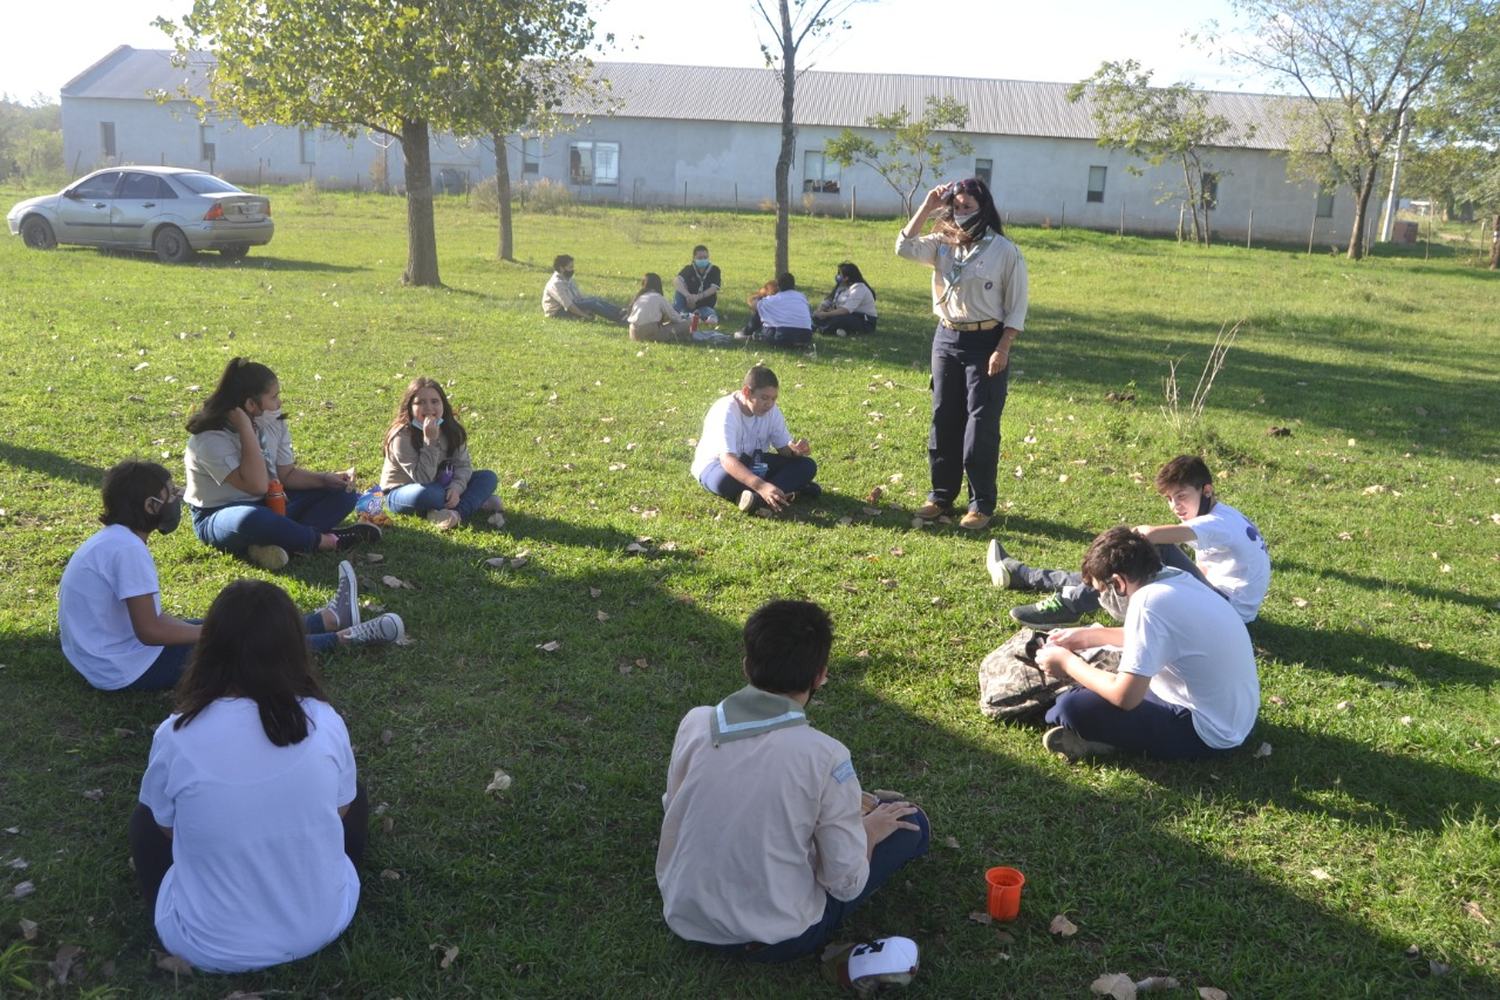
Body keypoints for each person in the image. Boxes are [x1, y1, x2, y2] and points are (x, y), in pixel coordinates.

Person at [656, 600, 929, 962]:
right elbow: (844, 883)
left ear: (746, 666)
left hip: (684, 915)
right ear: (820, 675)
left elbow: (675, 806)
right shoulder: (825, 757)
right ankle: (871, 817)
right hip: (777, 937)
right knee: (913, 823)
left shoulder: (695, 721)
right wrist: (871, 832)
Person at [128, 579, 367, 972]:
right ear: (295, 648)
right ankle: (327, 883)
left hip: (206, 946)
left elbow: (168, 832)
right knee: (353, 793)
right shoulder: (323, 719)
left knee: (143, 821)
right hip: (324, 925)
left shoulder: (177, 735)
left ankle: (175, 908)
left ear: (207, 650)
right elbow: (341, 811)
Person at [58, 462, 404, 692]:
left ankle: (326, 619)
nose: (176, 500)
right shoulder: (127, 550)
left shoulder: (114, 540)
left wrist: (209, 628)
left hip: (109, 655)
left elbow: (148, 623)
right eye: (170, 495)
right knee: (240, 644)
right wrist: (211, 634)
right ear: (150, 506)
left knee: (230, 622)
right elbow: (150, 631)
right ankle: (347, 637)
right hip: (125, 668)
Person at [1035, 527, 1260, 762]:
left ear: (1118, 583)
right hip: (1234, 718)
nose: (1103, 600)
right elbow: (1159, 637)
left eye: (1103, 591)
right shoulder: (1174, 577)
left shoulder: (1147, 602)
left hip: (1205, 732)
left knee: (1070, 706)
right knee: (1100, 683)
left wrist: (1066, 662)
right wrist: (1091, 636)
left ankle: (1106, 741)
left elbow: (1125, 697)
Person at [992, 456, 1271, 628]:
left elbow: (1149, 535)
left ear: (1207, 490)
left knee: (1148, 548)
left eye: (1182, 496)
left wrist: (1114, 548)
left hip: (1226, 613)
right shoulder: (1224, 516)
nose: (1175, 506)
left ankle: (1069, 605)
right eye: (1169, 498)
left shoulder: (1217, 524)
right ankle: (1025, 575)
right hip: (1219, 600)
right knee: (1134, 563)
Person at [896, 177, 1028, 531]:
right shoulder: (943, 242)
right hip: (947, 337)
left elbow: (1017, 307)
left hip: (987, 343)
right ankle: (940, 497)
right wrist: (927, 207)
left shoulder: (1005, 251)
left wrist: (1003, 347)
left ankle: (980, 504)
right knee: (944, 418)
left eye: (968, 207)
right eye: (956, 206)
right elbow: (904, 248)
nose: (962, 212)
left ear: (984, 207)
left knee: (980, 425)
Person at [184, 357, 378, 571]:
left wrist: (325, 478)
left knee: (343, 493)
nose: (279, 403)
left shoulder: (272, 421)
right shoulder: (209, 438)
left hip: (273, 500)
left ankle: (273, 543)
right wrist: (247, 429)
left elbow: (286, 474)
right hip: (221, 513)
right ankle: (327, 541)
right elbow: (256, 485)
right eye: (274, 397)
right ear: (250, 404)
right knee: (253, 519)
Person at [691, 365, 820, 514]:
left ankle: (757, 499)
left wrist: (796, 452)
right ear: (746, 392)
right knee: (723, 482)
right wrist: (762, 486)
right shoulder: (726, 410)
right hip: (717, 466)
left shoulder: (771, 410)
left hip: (755, 463)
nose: (770, 404)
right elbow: (727, 460)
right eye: (764, 398)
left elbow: (784, 448)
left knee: (807, 465)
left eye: (774, 398)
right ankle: (788, 490)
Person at [380, 377, 504, 530]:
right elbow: (423, 479)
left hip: (443, 486)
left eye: (434, 401)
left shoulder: (452, 430)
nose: (429, 407)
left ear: (443, 405)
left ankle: (454, 514)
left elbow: (463, 465)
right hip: (406, 491)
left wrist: (456, 488)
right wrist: (430, 440)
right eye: (420, 402)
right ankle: (475, 503)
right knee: (431, 494)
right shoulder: (401, 436)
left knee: (487, 477)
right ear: (410, 407)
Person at [733, 272, 813, 348]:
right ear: (793, 285)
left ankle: (745, 333)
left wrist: (757, 296)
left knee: (761, 312)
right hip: (806, 339)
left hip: (783, 340)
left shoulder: (772, 300)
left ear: (778, 286)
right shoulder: (802, 297)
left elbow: (754, 305)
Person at [542, 254, 625, 323]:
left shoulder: (568, 279)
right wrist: (584, 315)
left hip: (571, 305)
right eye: (570, 267)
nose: (572, 270)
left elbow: (580, 296)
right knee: (592, 303)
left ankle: (621, 311)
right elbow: (569, 305)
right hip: (558, 312)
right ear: (561, 268)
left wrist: (588, 304)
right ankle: (620, 319)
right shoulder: (556, 284)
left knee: (594, 299)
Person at [812, 262, 879, 336]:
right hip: (843, 314)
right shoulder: (842, 286)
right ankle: (841, 330)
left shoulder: (858, 289)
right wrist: (820, 310)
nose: (838, 276)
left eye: (840, 274)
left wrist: (826, 315)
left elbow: (846, 310)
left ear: (846, 278)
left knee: (840, 320)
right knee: (817, 316)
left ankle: (821, 330)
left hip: (862, 320)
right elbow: (829, 299)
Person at [627, 272, 692, 342]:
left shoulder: (639, 297)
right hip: (650, 332)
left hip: (633, 333)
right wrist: (686, 321)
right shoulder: (659, 297)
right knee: (685, 325)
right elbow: (676, 318)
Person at [672, 244, 722, 328]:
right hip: (687, 304)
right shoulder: (689, 269)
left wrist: (698, 297)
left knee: (710, 312)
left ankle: (694, 318)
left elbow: (714, 288)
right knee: (680, 288)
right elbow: (676, 281)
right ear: (694, 258)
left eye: (705, 257)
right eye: (700, 258)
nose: (703, 260)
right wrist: (688, 296)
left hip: (703, 305)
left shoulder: (714, 270)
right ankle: (687, 316)